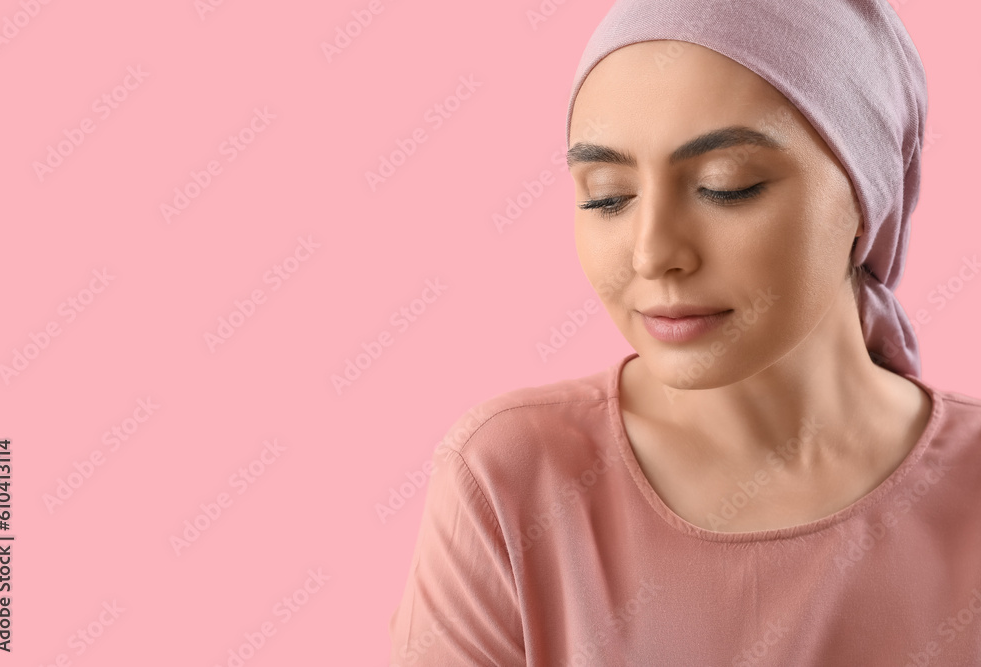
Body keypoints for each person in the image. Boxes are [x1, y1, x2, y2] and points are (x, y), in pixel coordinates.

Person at [389, 1, 981, 664]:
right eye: (607, 195)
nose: (652, 254)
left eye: (727, 186)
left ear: (869, 194)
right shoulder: (511, 477)